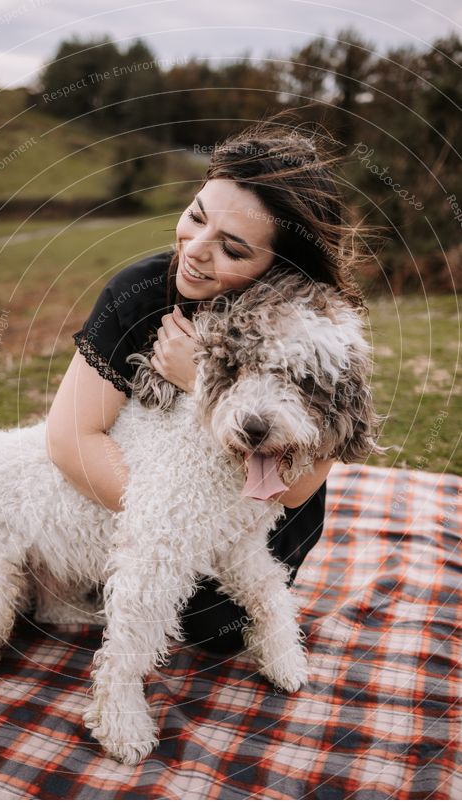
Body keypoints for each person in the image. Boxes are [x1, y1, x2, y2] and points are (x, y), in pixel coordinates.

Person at [46, 115, 369, 654]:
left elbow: (293, 488)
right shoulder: (139, 293)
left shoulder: (318, 328)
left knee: (213, 628)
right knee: (138, 587)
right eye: (196, 217)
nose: (195, 248)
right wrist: (169, 527)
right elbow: (69, 438)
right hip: (149, 497)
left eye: (233, 249)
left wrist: (204, 380)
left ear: (278, 265)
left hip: (260, 516)